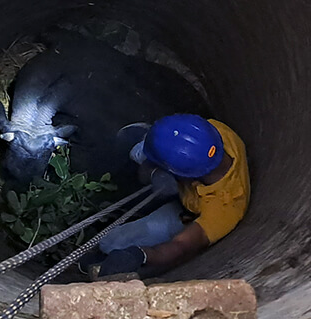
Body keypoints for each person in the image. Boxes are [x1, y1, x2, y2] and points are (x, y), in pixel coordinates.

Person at [82, 114, 250, 278]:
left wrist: (140, 255)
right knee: (155, 151)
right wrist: (155, 173)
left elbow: (181, 246)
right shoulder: (213, 133)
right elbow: (181, 133)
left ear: (184, 175)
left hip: (189, 214)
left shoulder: (225, 208)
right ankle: (149, 141)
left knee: (111, 242)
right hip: (185, 175)